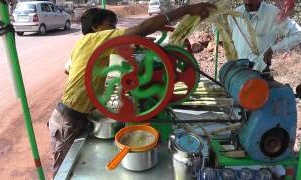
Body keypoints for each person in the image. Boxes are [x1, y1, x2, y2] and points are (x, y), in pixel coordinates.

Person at [48, 3, 216, 177]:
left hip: (77, 115)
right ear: (96, 27)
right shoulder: (95, 39)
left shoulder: (85, 43)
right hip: (68, 119)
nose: (114, 29)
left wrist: (140, 43)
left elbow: (67, 68)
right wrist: (186, 10)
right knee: (62, 172)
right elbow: (140, 29)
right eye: (110, 26)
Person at [228, 0, 301, 74]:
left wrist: (273, 49)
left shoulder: (273, 14)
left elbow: (300, 34)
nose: (247, 1)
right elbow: (221, 29)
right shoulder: (235, 13)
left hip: (259, 71)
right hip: (237, 70)